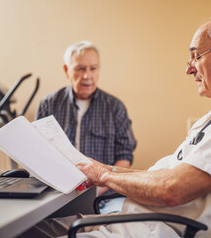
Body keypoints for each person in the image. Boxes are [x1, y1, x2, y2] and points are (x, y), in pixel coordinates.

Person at [24, 14, 211, 237]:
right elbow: (166, 176)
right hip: (129, 218)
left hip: (150, 230)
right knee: (29, 229)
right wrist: (100, 168)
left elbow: (171, 189)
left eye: (195, 56)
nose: (189, 69)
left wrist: (104, 176)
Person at [35, 41, 137, 213]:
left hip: (104, 197)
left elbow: (124, 157)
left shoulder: (115, 107)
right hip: (57, 195)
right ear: (67, 70)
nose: (87, 75)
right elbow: (39, 152)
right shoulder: (49, 103)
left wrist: (99, 187)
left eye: (93, 68)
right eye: (80, 69)